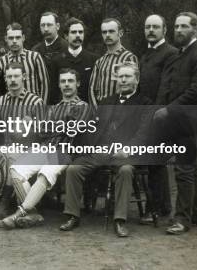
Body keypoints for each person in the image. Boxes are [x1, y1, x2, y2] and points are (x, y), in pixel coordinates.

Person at [60, 62, 152, 237]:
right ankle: (72, 215)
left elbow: (143, 134)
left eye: (127, 76)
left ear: (136, 79)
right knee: (73, 169)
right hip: (101, 152)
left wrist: (127, 149)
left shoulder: (145, 103)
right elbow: (94, 128)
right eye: (120, 77)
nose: (123, 80)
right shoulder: (106, 101)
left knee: (125, 171)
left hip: (125, 154)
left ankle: (119, 220)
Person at [1, 68, 92, 229]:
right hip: (46, 148)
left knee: (46, 173)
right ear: (59, 85)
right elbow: (43, 132)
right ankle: (33, 213)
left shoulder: (83, 106)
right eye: (63, 81)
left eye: (70, 81)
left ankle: (19, 214)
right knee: (16, 170)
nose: (66, 85)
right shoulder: (54, 108)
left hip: (65, 150)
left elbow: (74, 129)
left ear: (77, 83)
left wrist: (52, 126)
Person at [154, 12, 197, 235]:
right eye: (176, 26)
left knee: (183, 169)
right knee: (191, 169)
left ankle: (182, 219)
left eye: (184, 27)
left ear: (195, 29)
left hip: (193, 120)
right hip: (182, 120)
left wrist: (168, 110)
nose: (178, 30)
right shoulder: (182, 54)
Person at [138, 14, 177, 224]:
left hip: (160, 115)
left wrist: (155, 113)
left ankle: (158, 208)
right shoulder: (146, 55)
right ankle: (160, 206)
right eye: (147, 27)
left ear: (164, 30)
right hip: (146, 112)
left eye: (155, 27)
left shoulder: (170, 54)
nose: (151, 30)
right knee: (153, 163)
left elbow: (165, 88)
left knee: (157, 162)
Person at [0, 23, 49, 105]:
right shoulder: (1, 61)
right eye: (11, 38)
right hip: (11, 108)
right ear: (6, 39)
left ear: (23, 38)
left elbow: (45, 84)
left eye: (18, 37)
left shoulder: (34, 57)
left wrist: (41, 106)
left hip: (32, 107)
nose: (14, 41)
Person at [88, 18, 138, 106]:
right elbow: (92, 89)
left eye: (111, 31)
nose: (107, 35)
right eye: (104, 32)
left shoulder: (129, 57)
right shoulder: (99, 62)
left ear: (120, 33)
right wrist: (97, 113)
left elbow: (134, 89)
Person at [50, 18, 98, 104]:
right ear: (66, 36)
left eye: (80, 32)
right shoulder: (57, 61)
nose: (78, 35)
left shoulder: (94, 59)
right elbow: (54, 92)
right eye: (73, 32)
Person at [32, 12, 68, 103]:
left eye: (49, 25)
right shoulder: (35, 50)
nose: (46, 29)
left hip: (62, 101)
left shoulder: (67, 48)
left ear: (58, 26)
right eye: (42, 25)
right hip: (41, 101)